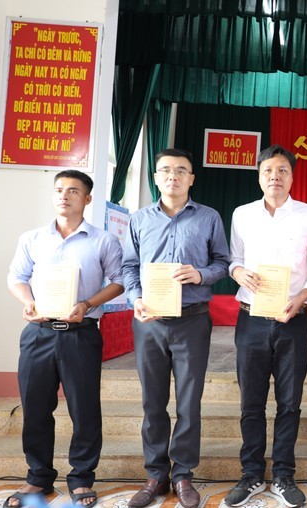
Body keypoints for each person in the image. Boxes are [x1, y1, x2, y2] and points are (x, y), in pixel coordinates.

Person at [6, 170, 124, 508]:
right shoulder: (32, 238)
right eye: (59, 190)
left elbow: (118, 282)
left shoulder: (103, 240)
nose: (64, 196)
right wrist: (27, 301)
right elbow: (16, 277)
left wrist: (87, 304)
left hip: (81, 334)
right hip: (38, 334)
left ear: (87, 199)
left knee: (84, 409)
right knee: (35, 408)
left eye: (73, 191)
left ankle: (82, 477)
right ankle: (38, 477)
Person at [121, 148, 230, 508]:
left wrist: (200, 274)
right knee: (153, 401)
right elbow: (129, 266)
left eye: (181, 171)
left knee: (188, 401)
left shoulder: (209, 217)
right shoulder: (139, 219)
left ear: (191, 178)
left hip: (193, 320)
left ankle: (182, 473)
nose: (173, 176)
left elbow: (223, 262)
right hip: (150, 322)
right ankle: (155, 474)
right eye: (166, 170)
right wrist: (135, 297)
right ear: (155, 177)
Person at [225, 145, 307, 508]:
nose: (275, 177)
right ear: (259, 176)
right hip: (251, 319)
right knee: (251, 402)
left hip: (293, 321)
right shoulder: (242, 214)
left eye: (282, 171)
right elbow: (233, 259)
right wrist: (238, 272)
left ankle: (283, 474)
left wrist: (301, 298)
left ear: (292, 176)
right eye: (268, 171)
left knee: (289, 402)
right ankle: (251, 474)